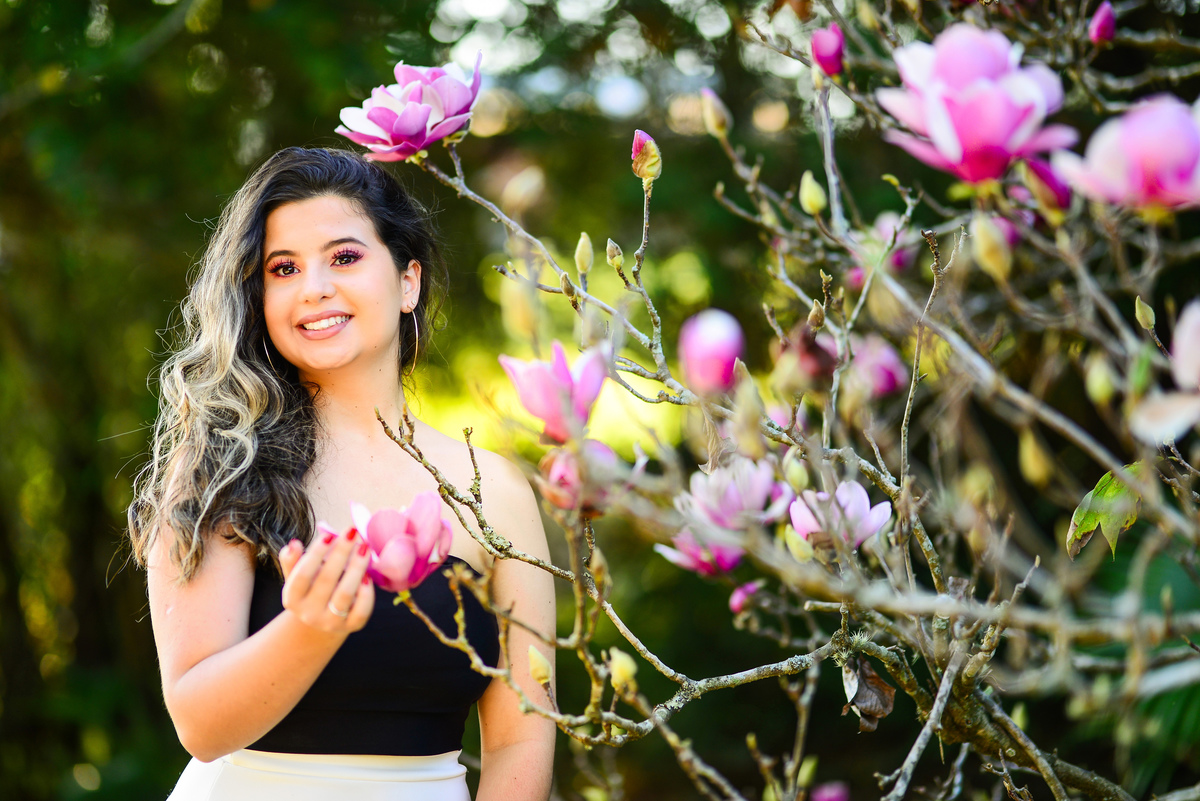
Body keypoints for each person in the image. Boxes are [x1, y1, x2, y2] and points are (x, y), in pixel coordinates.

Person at [126, 147, 557, 800]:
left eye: (345, 256)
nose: (314, 287)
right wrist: (310, 629)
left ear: (408, 280)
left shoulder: (494, 491)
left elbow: (522, 737)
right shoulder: (221, 467)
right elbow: (199, 724)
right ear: (260, 295)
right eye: (284, 267)